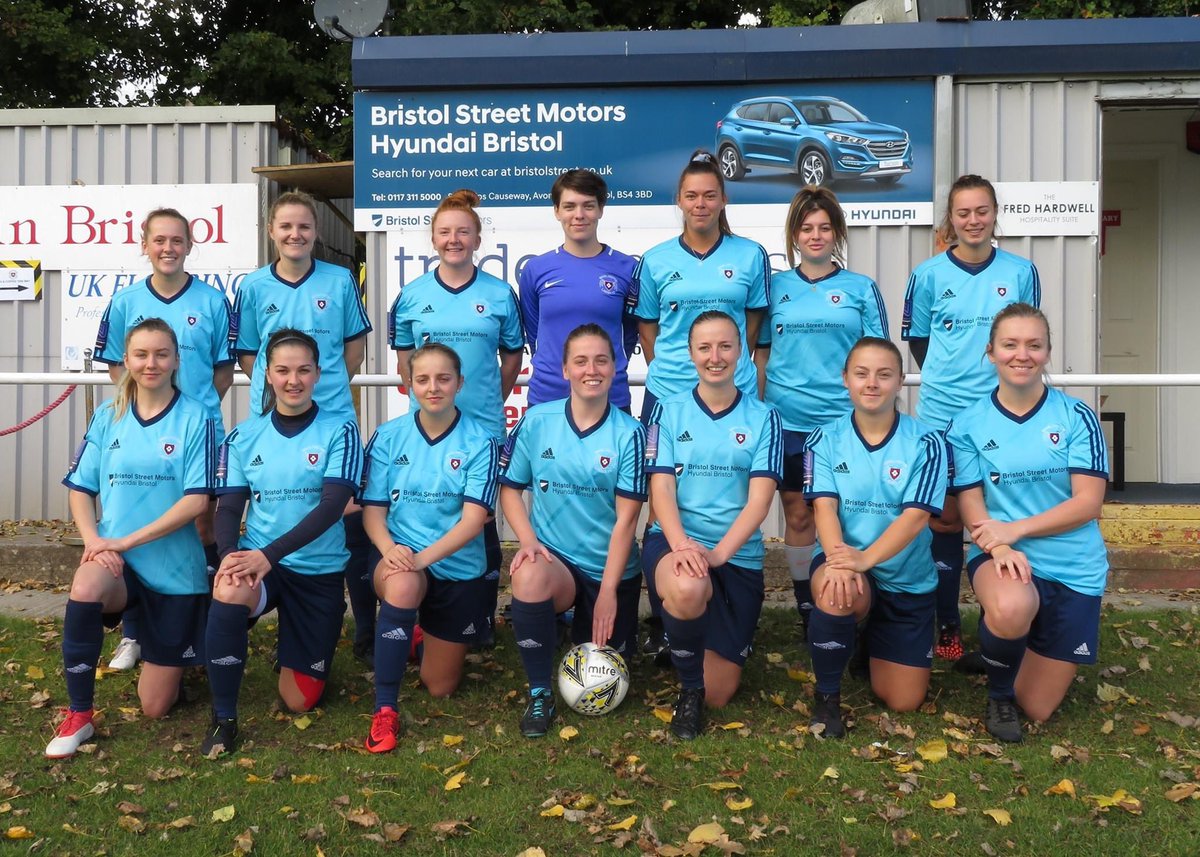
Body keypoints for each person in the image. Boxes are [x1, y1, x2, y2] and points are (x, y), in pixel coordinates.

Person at [49, 319, 216, 758]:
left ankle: (173, 659)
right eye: (141, 354)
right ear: (126, 360)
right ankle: (80, 714)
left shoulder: (196, 416)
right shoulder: (108, 416)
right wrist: (94, 540)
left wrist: (122, 542)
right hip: (116, 565)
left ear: (177, 360)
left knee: (155, 707)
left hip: (174, 572)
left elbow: (197, 501)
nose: (151, 363)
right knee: (85, 584)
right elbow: (81, 489)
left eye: (162, 354)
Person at [632, 149, 771, 661]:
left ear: (723, 199)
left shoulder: (751, 255)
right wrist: (675, 368)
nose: (700, 203)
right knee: (661, 501)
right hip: (669, 396)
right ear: (679, 201)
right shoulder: (656, 260)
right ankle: (668, 613)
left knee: (728, 491)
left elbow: (752, 327)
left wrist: (722, 369)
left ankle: (726, 593)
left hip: (731, 395)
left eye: (710, 194)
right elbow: (650, 330)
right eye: (691, 195)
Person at [947, 303, 1108, 743]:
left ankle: (1003, 649)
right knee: (1013, 607)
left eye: (1034, 345)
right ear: (991, 352)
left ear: (1048, 352)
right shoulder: (967, 424)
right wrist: (998, 546)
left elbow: (1088, 504)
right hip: (1002, 556)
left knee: (1037, 706)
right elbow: (972, 503)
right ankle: (998, 693)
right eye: (1011, 344)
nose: (1023, 355)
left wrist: (1015, 529)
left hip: (1074, 565)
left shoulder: (1077, 417)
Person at [203, 329, 364, 757]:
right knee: (230, 586)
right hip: (263, 566)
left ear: (318, 374)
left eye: (303, 370)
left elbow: (332, 507)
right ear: (267, 376)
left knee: (299, 701)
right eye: (283, 370)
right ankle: (223, 719)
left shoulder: (341, 430)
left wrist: (265, 554)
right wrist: (228, 558)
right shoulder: (243, 436)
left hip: (317, 572)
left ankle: (292, 651)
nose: (293, 380)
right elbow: (228, 510)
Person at [231, 191, 377, 666]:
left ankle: (362, 631)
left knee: (345, 518)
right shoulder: (253, 286)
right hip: (272, 419)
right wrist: (278, 391)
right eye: (286, 227)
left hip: (330, 416)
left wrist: (327, 388)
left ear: (316, 233)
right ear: (271, 232)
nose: (296, 235)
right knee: (276, 512)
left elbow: (353, 350)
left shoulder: (338, 281)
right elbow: (251, 354)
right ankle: (246, 613)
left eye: (305, 227)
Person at [901, 175, 1041, 662]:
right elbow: (919, 342)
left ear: (995, 213)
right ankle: (946, 625)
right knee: (945, 520)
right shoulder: (928, 274)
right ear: (951, 220)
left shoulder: (1022, 271)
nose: (973, 221)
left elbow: (1026, 334)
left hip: (1001, 415)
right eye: (963, 213)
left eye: (982, 211)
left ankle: (1000, 622)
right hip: (942, 414)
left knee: (999, 517)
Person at [93, 208, 235, 671]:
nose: (168, 248)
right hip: (142, 431)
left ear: (189, 245)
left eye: (177, 240)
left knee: (202, 525)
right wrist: (142, 409)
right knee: (136, 524)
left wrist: (186, 416)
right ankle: (134, 633)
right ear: (144, 244)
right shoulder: (125, 301)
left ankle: (203, 620)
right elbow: (118, 365)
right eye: (159, 240)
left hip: (197, 430)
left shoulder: (213, 300)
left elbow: (223, 369)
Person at [388, 189, 525, 644]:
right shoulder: (412, 296)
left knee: (481, 518)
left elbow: (510, 359)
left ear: (477, 238)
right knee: (428, 511)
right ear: (432, 239)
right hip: (425, 429)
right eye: (445, 232)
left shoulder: (501, 293)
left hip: (482, 426)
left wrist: (486, 401)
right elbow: (404, 363)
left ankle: (478, 620)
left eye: (463, 231)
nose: (454, 239)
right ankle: (418, 617)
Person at [499, 324, 648, 738]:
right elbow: (510, 489)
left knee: (604, 668)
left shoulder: (630, 435)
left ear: (616, 368)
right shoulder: (537, 421)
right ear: (565, 369)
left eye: (601, 360)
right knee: (528, 573)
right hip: (558, 563)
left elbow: (626, 522)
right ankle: (540, 693)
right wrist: (528, 541)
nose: (591, 369)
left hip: (611, 571)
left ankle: (585, 627)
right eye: (580, 361)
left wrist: (606, 596)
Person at [754, 186, 888, 638]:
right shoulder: (776, 288)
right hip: (789, 421)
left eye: (824, 227)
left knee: (845, 513)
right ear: (794, 235)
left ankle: (853, 595)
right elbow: (761, 355)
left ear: (837, 233)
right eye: (806, 228)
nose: (815, 236)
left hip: (845, 426)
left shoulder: (860, 288)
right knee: (798, 515)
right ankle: (806, 603)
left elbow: (880, 357)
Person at [642, 311, 782, 740]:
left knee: (722, 692)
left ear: (740, 351)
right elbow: (661, 490)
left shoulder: (764, 417)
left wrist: (717, 555)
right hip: (674, 544)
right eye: (704, 347)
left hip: (734, 554)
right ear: (690, 354)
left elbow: (759, 502)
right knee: (687, 587)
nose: (715, 357)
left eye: (725, 346)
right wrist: (683, 545)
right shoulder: (668, 410)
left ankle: (683, 639)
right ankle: (688, 692)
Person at [802, 337, 946, 738]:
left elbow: (916, 518)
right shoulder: (823, 439)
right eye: (861, 374)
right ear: (845, 379)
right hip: (848, 563)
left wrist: (866, 559)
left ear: (900, 381)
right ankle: (827, 698)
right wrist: (841, 560)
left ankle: (865, 641)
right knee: (836, 588)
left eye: (884, 375)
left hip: (906, 578)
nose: (872, 383)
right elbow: (824, 509)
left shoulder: (927, 442)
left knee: (903, 701)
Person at [359, 343, 499, 753]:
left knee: (439, 687)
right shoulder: (388, 436)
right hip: (400, 556)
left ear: (460, 383)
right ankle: (385, 710)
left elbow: (474, 521)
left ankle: (415, 637)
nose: (433, 387)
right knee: (403, 586)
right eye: (423, 379)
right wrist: (392, 551)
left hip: (456, 565)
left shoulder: (480, 441)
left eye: (443, 379)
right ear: (409, 384)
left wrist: (422, 559)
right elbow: (372, 513)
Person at [518, 169, 639, 410]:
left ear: (601, 210)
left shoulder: (628, 268)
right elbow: (534, 335)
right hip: (548, 397)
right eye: (570, 206)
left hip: (609, 397)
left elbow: (630, 335)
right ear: (556, 211)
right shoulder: (536, 269)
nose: (579, 215)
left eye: (588, 206)